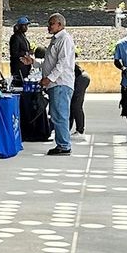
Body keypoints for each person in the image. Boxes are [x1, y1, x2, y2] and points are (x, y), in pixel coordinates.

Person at [40, 12, 76, 157]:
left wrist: (49, 78)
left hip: (60, 83)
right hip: (55, 84)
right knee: (56, 114)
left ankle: (64, 145)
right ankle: (62, 143)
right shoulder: (56, 40)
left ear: (60, 25)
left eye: (51, 24)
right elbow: (50, 62)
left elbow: (62, 63)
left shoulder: (64, 39)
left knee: (60, 115)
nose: (48, 26)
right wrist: (34, 63)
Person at [9, 16, 34, 84]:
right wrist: (26, 53)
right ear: (19, 26)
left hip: (25, 66)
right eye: (24, 25)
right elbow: (14, 53)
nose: (26, 27)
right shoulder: (15, 37)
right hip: (18, 67)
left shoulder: (23, 36)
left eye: (27, 25)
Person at [71, 61, 91, 139]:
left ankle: (80, 131)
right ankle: (70, 129)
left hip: (81, 78)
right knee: (72, 104)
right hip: (80, 77)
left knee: (76, 105)